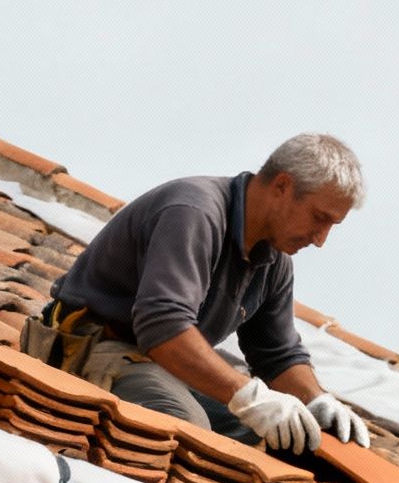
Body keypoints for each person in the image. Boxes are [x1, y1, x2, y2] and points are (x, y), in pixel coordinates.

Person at [26, 133, 369, 452]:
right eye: (319, 218)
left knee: (282, 438)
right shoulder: (194, 212)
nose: (320, 239)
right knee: (188, 432)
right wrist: (247, 396)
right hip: (90, 348)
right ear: (282, 186)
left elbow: (277, 355)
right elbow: (163, 326)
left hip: (161, 367)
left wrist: (316, 401)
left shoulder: (274, 260)